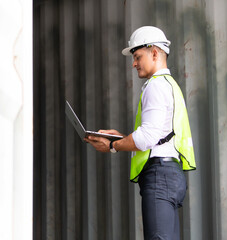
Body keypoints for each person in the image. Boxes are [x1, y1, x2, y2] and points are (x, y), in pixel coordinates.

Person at [84, 26, 196, 240]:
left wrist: (111, 145)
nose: (133, 64)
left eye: (137, 57)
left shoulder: (155, 86)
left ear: (154, 53)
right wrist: (120, 137)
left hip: (159, 175)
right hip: (171, 173)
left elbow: (147, 138)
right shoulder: (169, 85)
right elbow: (158, 134)